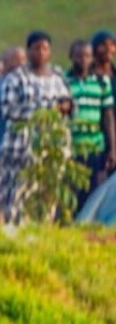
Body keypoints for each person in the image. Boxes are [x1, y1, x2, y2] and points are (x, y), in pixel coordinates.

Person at [0, 31, 73, 225]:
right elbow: (8, 109)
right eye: (36, 48)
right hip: (21, 148)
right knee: (19, 193)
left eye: (45, 48)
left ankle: (44, 230)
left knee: (48, 193)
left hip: (51, 148)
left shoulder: (57, 76)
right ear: (28, 51)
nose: (40, 53)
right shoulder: (17, 78)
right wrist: (43, 111)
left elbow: (69, 103)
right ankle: (16, 235)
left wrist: (64, 107)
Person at [64, 39, 116, 204]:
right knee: (72, 193)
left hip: (95, 147)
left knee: (95, 192)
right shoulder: (63, 82)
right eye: (78, 56)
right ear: (71, 57)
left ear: (92, 58)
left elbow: (107, 116)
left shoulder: (101, 82)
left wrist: (112, 148)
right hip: (72, 148)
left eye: (87, 56)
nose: (83, 60)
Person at [0, 46, 26, 217]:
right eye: (16, 61)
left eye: (22, 60)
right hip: (3, 150)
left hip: (24, 152)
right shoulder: (1, 87)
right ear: (7, 64)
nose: (20, 65)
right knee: (0, 200)